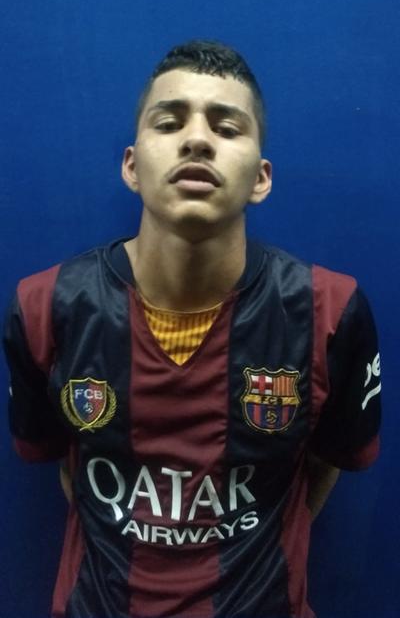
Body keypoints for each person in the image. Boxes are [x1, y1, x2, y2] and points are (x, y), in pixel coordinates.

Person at [3, 40, 381, 618]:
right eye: (170, 122)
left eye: (226, 127)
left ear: (261, 178)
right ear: (132, 166)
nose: (197, 139)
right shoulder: (44, 306)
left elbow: (328, 462)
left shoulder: (332, 311)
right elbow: (62, 458)